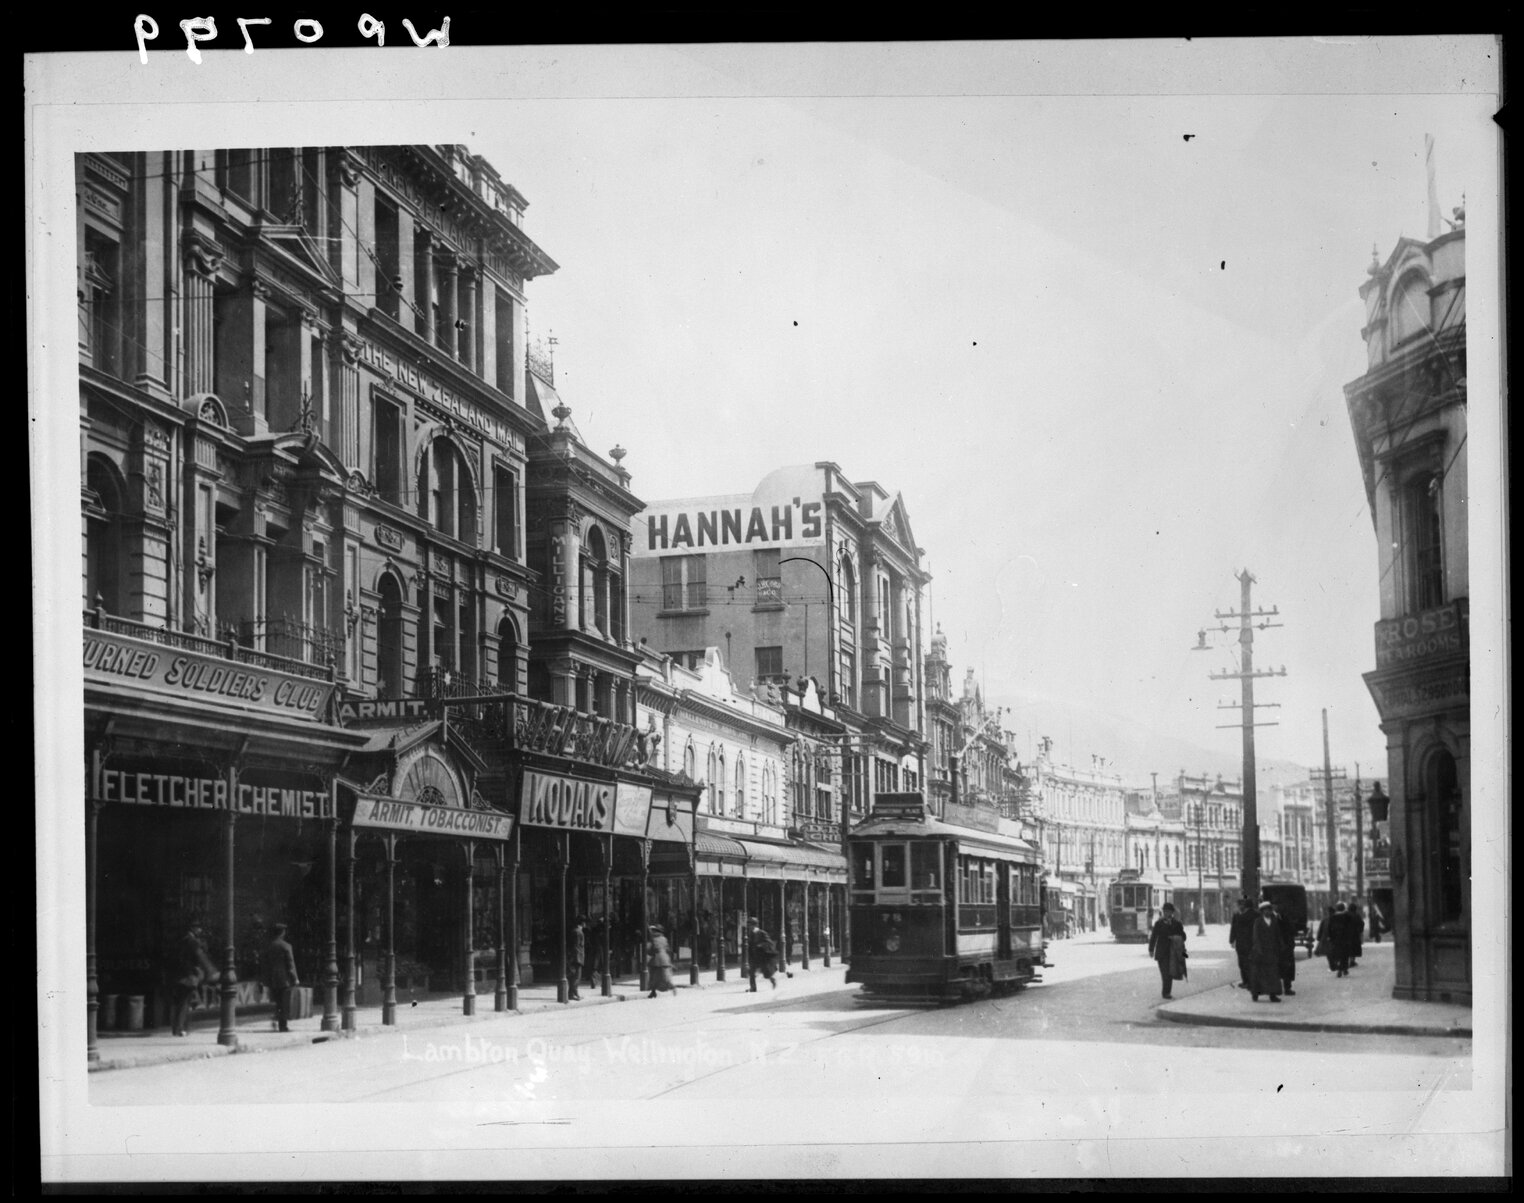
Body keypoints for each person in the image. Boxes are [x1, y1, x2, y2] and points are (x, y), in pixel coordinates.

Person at [170, 922, 219, 1037]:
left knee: (181, 1002)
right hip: (188, 975)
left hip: (179, 974)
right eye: (199, 928)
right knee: (185, 1002)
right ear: (194, 928)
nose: (200, 930)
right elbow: (201, 957)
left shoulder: (183, 940)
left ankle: (178, 1028)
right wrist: (210, 970)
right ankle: (180, 1028)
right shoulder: (193, 942)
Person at [259, 922, 300, 1032]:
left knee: (278, 1002)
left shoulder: (269, 946)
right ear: (282, 933)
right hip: (284, 979)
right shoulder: (286, 946)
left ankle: (277, 1020)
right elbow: (291, 964)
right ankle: (283, 1026)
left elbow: (265, 964)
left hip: (273, 979)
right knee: (284, 1003)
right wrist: (295, 978)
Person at [1145, 902, 1187, 1000]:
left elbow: (1184, 937)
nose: (1166, 913)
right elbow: (1154, 937)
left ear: (1172, 912)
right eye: (1165, 911)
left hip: (1173, 953)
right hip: (1162, 953)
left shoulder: (1177, 924)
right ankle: (1166, 993)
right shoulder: (1158, 924)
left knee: (1170, 972)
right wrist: (1151, 949)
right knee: (1165, 973)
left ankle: (1167, 992)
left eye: (1168, 911)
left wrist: (1175, 937)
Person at [1247, 900, 1283, 1002]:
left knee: (1273, 974)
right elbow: (1256, 936)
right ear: (1262, 911)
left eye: (1269, 910)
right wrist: (1258, 949)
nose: (1268, 912)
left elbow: (1278, 935)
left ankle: (1273, 995)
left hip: (1272, 952)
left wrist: (1280, 946)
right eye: (1266, 910)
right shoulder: (1258, 921)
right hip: (1261, 952)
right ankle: (1255, 994)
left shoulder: (1274, 921)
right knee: (1258, 974)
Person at [747, 916, 783, 991]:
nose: (749, 927)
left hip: (762, 956)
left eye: (751, 925)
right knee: (751, 972)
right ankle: (753, 988)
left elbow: (769, 942)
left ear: (755, 925)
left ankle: (772, 980)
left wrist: (761, 945)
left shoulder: (761, 933)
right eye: (749, 925)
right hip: (754, 957)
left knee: (766, 973)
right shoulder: (750, 934)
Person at [1228, 897, 1256, 989]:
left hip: (1243, 943)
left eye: (1240, 905)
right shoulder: (1257, 914)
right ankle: (1249, 981)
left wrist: (1232, 940)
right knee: (1247, 963)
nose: (1239, 907)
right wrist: (1232, 940)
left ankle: (1247, 982)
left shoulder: (1238, 916)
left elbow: (1234, 928)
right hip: (1250, 943)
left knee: (1244, 963)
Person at [646, 925, 674, 999]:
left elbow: (652, 950)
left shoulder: (654, 939)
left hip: (657, 959)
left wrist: (648, 951)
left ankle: (654, 991)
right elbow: (668, 949)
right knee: (662, 975)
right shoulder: (664, 939)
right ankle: (668, 986)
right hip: (665, 958)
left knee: (653, 975)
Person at [1328, 901, 1355, 977]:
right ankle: (1344, 969)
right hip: (1345, 938)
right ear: (1343, 909)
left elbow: (1329, 928)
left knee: (1338, 954)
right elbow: (1351, 928)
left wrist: (1330, 937)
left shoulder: (1332, 917)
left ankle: (1339, 968)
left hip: (1335, 939)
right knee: (1345, 954)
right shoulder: (1347, 917)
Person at [566, 917, 586, 1001]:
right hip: (577, 957)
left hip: (574, 957)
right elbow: (577, 946)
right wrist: (578, 958)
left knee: (573, 976)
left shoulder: (575, 931)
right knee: (577, 976)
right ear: (582, 923)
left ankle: (571, 994)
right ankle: (575, 993)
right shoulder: (578, 932)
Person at [1315, 905, 1339, 973]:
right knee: (1335, 952)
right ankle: (1335, 964)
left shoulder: (1325, 920)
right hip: (1335, 939)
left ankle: (1332, 966)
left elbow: (1320, 930)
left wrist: (1319, 938)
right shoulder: (1337, 919)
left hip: (1326, 939)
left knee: (1329, 953)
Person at [1347, 899, 1365, 966]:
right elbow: (1362, 924)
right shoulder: (1357, 916)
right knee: (1354, 948)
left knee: (1348, 948)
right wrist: (1360, 931)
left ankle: (1348, 960)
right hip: (1355, 934)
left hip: (1346, 934)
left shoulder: (1346, 915)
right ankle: (1352, 961)